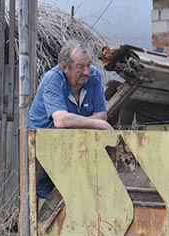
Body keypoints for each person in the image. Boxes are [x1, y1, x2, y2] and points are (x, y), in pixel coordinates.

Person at [29, 40, 113, 198]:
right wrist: (98, 124)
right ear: (64, 67)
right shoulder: (53, 79)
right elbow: (61, 121)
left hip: (75, 151)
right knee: (44, 209)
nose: (87, 71)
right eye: (80, 67)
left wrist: (89, 122)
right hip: (44, 153)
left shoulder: (94, 76)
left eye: (88, 65)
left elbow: (102, 114)